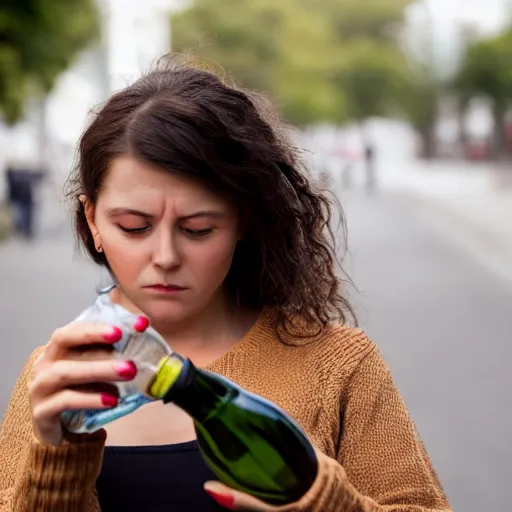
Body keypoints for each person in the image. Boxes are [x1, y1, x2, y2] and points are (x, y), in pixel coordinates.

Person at [0, 57, 451, 512]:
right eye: (135, 226)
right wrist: (56, 457)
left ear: (243, 222)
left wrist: (328, 505)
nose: (165, 257)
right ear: (92, 220)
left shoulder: (338, 364)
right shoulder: (59, 377)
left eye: (198, 229)